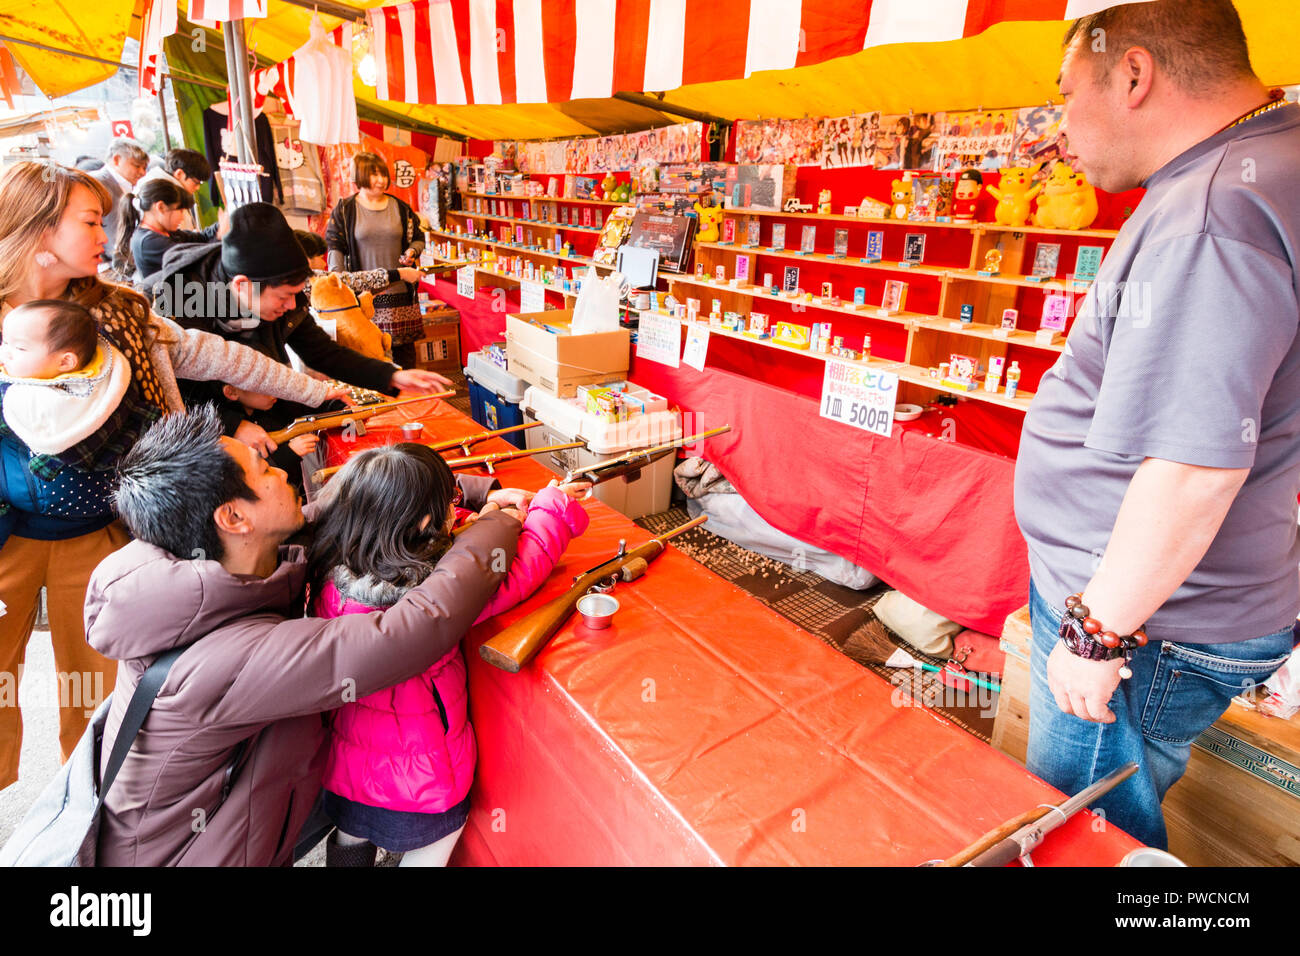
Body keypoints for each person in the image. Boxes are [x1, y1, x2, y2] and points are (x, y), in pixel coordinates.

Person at [1014, 0, 1300, 848]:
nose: (1060, 129)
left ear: (1132, 74)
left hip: (1146, 626)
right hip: (1179, 605)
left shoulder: (1212, 211)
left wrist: (1094, 636)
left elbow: (1194, 467)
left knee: (1083, 834)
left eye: (1066, 95)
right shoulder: (1267, 162)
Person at [0, 161, 344, 792]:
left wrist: (321, 392)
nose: (107, 231)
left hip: (103, 533)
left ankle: (89, 806)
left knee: (101, 694)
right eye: (88, 220)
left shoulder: (123, 313)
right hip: (7, 538)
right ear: (41, 229)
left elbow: (216, 355)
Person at [85, 405, 527, 866]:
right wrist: (500, 522)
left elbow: (357, 505)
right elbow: (415, 629)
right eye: (264, 470)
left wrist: (459, 492)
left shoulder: (209, 563)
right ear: (234, 517)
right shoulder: (226, 661)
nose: (280, 471)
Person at [306, 445, 590, 867]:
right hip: (422, 778)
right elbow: (515, 573)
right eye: (448, 505)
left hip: (345, 764)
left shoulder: (331, 568)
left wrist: (482, 508)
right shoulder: (434, 588)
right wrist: (552, 507)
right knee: (436, 841)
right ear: (423, 523)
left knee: (352, 834)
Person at [145, 202, 448, 458]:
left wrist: (392, 375)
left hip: (271, 401)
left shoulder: (276, 285)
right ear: (243, 286)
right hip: (207, 432)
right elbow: (169, 389)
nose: (292, 305)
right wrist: (232, 424)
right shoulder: (182, 300)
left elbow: (322, 352)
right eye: (283, 296)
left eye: (296, 294)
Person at [324, 152, 426, 365]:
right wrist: (338, 282)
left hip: (400, 294)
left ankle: (411, 398)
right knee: (368, 355)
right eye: (373, 174)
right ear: (360, 176)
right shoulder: (345, 210)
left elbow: (417, 238)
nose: (381, 180)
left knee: (404, 358)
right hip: (363, 296)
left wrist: (412, 252)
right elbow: (335, 246)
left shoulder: (400, 208)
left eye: (383, 174)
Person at [0, 300, 126, 461]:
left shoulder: (87, 389)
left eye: (20, 348)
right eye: (5, 342)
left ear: (65, 362)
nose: (5, 352)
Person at [114, 178, 222, 282]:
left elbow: (201, 238)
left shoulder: (164, 231)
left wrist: (221, 224)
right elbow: (197, 259)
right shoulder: (148, 242)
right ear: (160, 207)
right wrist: (222, 234)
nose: (182, 217)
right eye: (180, 210)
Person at [89, 138, 149, 269]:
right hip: (111, 266)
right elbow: (111, 235)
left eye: (144, 167)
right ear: (116, 160)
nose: (142, 173)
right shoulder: (97, 183)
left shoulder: (128, 186)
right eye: (137, 166)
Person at [140, 148, 213, 231]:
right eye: (196, 182)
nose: (198, 188)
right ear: (179, 174)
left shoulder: (166, 183)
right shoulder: (163, 193)